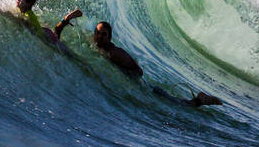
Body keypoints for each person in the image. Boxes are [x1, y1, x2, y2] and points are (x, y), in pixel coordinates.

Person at [92, 20, 222, 107]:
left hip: (144, 87)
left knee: (179, 104)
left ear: (109, 37)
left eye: (104, 34)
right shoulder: (100, 45)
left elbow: (139, 71)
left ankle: (200, 100)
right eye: (98, 33)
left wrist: (131, 80)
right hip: (142, 86)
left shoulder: (115, 52)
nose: (100, 36)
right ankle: (198, 100)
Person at [14, 0, 83, 45]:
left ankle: (67, 18)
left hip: (47, 37)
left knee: (57, 38)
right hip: (45, 31)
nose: (17, 0)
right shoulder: (25, 11)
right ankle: (67, 19)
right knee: (57, 30)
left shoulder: (28, 16)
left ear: (28, 3)